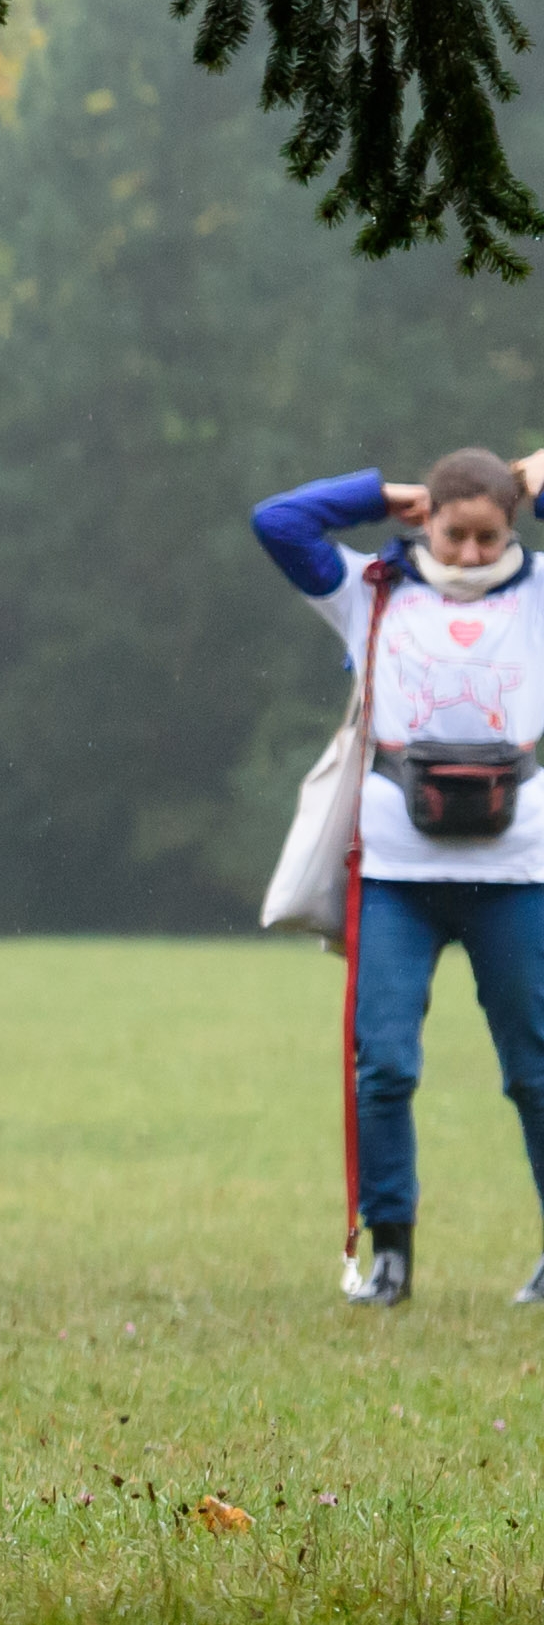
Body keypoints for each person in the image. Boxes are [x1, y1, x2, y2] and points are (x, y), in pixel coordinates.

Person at [258, 445, 544, 1305]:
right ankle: (390, 1257)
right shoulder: (371, 589)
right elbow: (277, 522)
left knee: (534, 1069)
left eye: (487, 537)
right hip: (394, 873)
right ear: (428, 522)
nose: (467, 554)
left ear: (511, 530)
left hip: (517, 873)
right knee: (382, 1066)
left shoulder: (536, 593)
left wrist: (527, 487)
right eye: (454, 534)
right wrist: (379, 495)